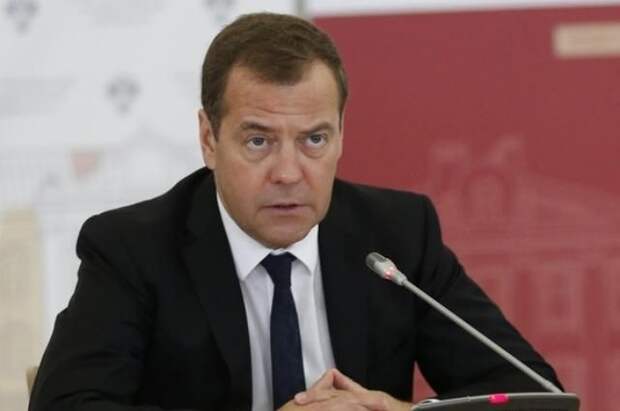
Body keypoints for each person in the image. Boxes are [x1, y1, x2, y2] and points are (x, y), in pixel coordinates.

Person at [29, 12, 561, 411]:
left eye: (314, 139)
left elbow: (534, 396)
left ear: (341, 135)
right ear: (209, 139)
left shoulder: (397, 236)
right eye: (258, 141)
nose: (288, 172)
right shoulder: (133, 249)